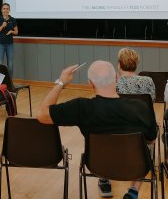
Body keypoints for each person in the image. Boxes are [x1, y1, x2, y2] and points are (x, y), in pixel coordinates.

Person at [38, 61, 157, 199]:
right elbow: (152, 138)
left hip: (97, 165)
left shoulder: (81, 107)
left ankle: (104, 180)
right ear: (117, 79)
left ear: (90, 83)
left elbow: (42, 115)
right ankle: (133, 191)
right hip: (135, 166)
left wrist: (61, 82)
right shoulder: (140, 107)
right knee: (148, 146)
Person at [0, 3, 18, 77]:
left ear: (9, 10)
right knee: (0, 64)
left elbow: (16, 32)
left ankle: (9, 81)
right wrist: (2, 26)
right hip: (0, 44)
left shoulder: (13, 20)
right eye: (4, 9)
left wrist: (11, 31)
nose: (5, 10)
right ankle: (0, 82)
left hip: (10, 44)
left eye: (7, 9)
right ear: (1, 10)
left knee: (10, 64)